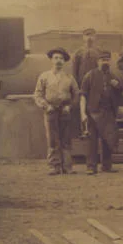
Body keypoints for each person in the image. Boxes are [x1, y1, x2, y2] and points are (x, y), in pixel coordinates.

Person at [33, 47, 80, 175]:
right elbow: (38, 94)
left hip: (65, 111)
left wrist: (69, 107)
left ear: (64, 61)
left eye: (61, 58)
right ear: (51, 60)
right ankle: (54, 166)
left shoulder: (69, 77)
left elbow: (76, 94)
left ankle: (67, 167)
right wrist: (46, 106)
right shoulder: (44, 76)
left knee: (66, 139)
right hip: (50, 111)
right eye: (56, 58)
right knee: (52, 140)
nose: (58, 60)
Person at [80, 51, 121, 175]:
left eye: (107, 60)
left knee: (108, 138)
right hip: (93, 112)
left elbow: (120, 95)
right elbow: (83, 95)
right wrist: (83, 113)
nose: (105, 62)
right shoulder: (90, 75)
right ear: (98, 61)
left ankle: (107, 166)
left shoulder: (113, 76)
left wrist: (118, 86)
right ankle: (91, 166)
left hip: (108, 112)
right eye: (102, 60)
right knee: (92, 141)